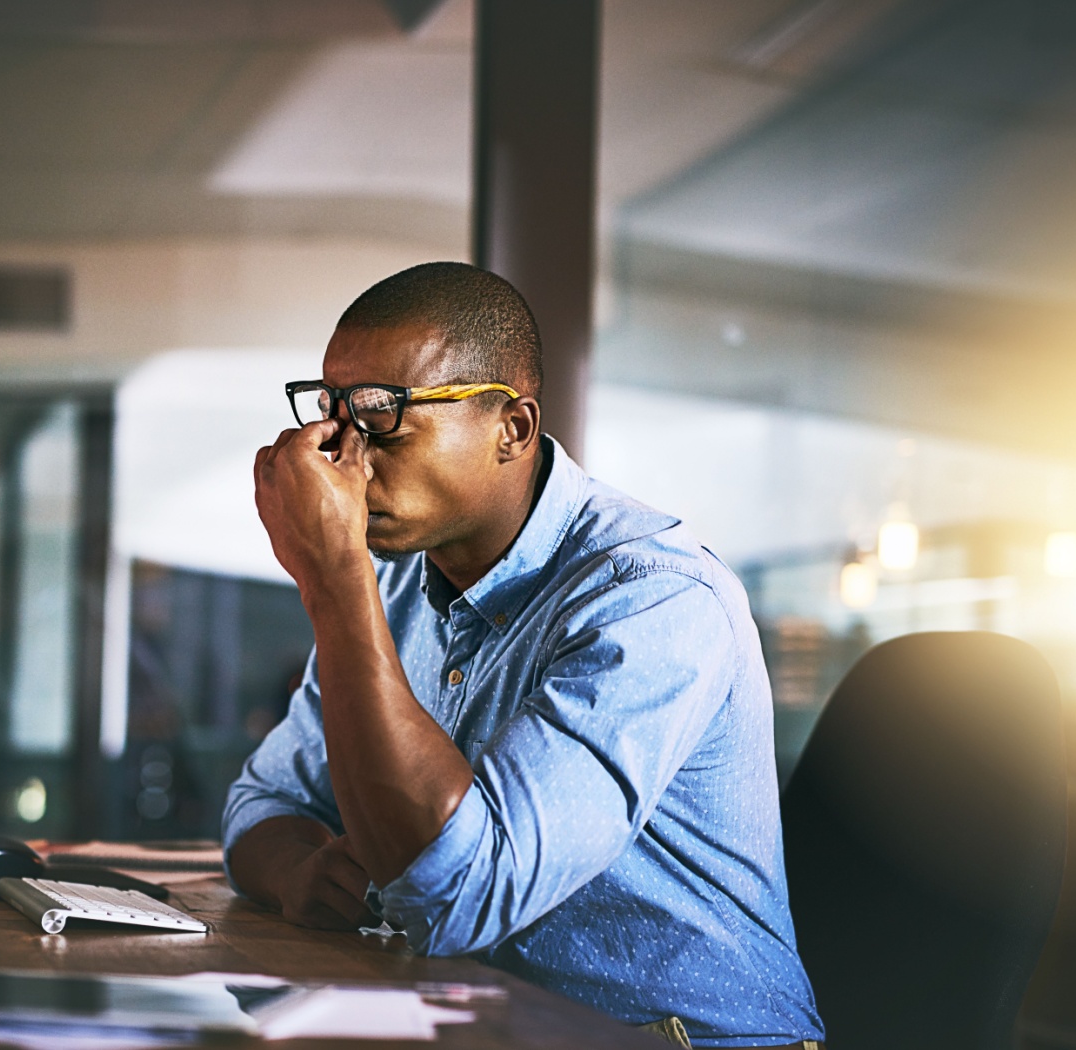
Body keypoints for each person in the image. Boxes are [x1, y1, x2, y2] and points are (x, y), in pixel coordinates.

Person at [223, 262, 825, 1048]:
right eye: (333, 415)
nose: (344, 457)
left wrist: (333, 578)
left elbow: (456, 892)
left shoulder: (655, 599)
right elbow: (261, 802)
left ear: (512, 428)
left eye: (383, 418)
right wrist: (302, 872)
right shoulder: (401, 586)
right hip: (489, 1028)